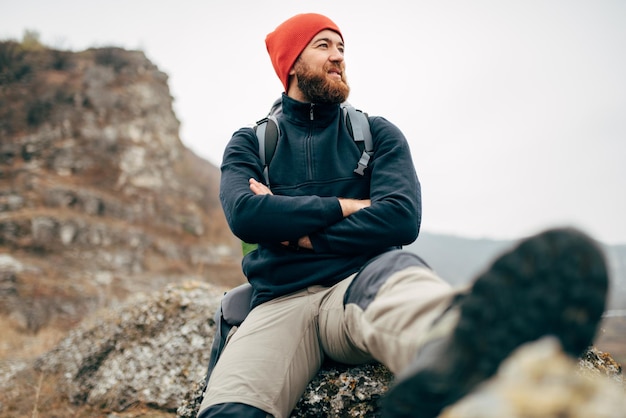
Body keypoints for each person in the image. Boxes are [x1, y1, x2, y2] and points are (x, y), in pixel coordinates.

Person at [197, 13, 609, 418]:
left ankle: (467, 349)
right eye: (323, 46)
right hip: (278, 303)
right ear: (290, 63)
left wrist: (298, 234)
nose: (338, 57)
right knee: (229, 410)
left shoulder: (378, 135)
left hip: (358, 285)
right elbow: (247, 215)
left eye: (342, 47)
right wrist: (344, 206)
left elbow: (400, 219)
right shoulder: (251, 143)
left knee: (408, 287)